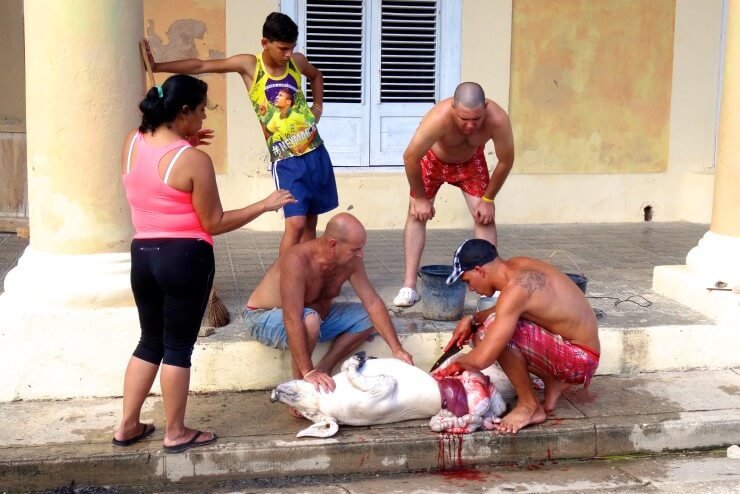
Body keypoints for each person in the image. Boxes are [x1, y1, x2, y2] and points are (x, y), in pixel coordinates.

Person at [113, 74, 295, 453]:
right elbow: (214, 221)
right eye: (200, 111)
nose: (203, 119)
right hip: (184, 257)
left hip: (142, 255)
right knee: (178, 347)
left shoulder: (132, 142)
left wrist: (185, 143)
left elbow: (154, 173)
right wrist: (264, 204)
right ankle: (175, 431)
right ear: (183, 112)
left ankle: (127, 425)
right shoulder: (194, 160)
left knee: (149, 341)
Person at [145, 12, 337, 256]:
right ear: (265, 43)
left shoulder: (296, 62)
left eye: (292, 48)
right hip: (287, 159)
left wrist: (317, 107)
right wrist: (157, 67)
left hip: (316, 151)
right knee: (296, 224)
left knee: (310, 222)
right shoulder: (250, 66)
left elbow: (316, 75)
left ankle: (308, 280)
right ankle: (282, 283)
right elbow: (201, 65)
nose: (288, 54)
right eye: (283, 48)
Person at [432, 239, 600, 434]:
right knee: (484, 328)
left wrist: (452, 365)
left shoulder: (515, 291)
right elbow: (510, 307)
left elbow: (482, 359)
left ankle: (529, 406)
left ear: (479, 270)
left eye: (467, 281)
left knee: (494, 331)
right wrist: (472, 318)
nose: (470, 289)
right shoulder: (517, 266)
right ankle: (552, 382)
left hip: (580, 360)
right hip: (582, 352)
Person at [244, 213, 414, 404]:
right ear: (333, 244)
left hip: (314, 319)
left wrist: (397, 349)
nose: (361, 254)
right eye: (355, 249)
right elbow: (292, 318)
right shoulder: (297, 260)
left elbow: (373, 302)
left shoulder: (351, 261)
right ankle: (299, 389)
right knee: (309, 318)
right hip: (263, 317)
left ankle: (325, 368)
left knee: (366, 316)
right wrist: (307, 371)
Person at [393, 82, 514, 308]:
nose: (470, 126)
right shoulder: (439, 118)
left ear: (485, 107)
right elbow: (410, 157)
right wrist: (419, 198)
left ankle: (492, 286)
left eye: (476, 119)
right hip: (434, 161)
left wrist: (488, 200)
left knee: (484, 216)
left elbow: (506, 160)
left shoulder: (497, 119)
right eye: (463, 119)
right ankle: (409, 286)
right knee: (416, 215)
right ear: (453, 108)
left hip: (471, 162)